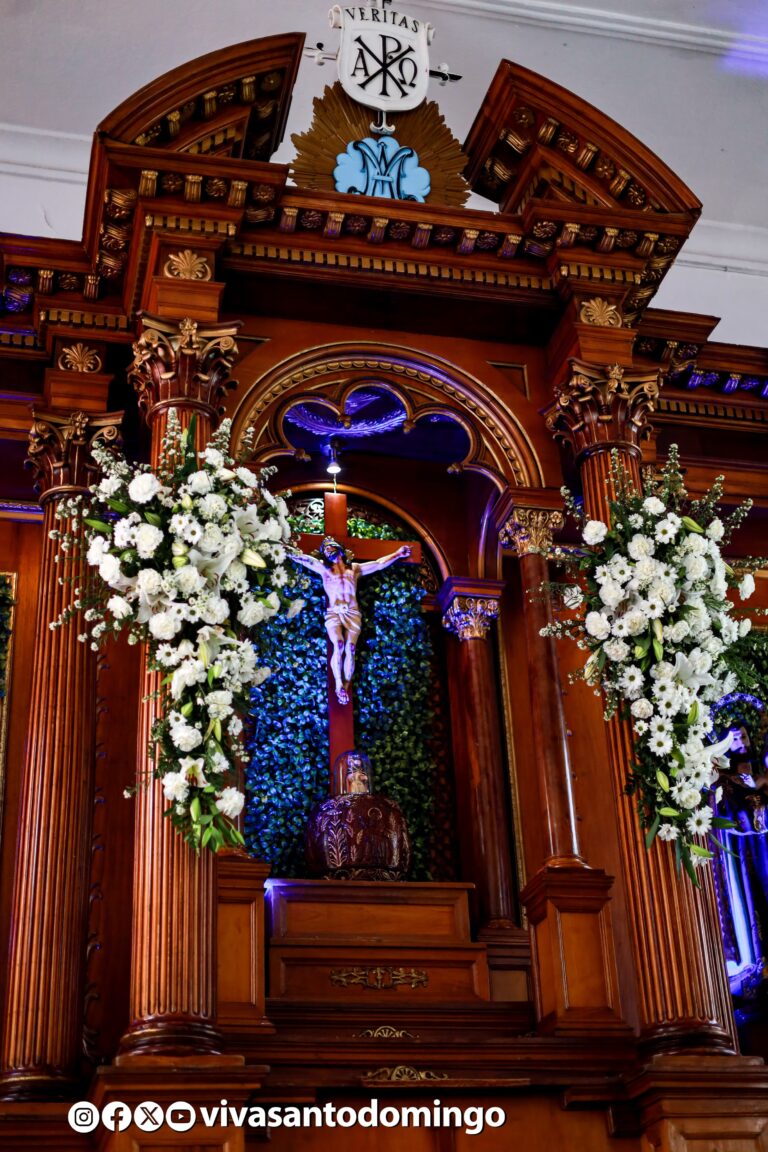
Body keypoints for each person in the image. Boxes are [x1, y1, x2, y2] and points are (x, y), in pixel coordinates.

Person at [290, 536, 411, 704]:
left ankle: (345, 685)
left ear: (339, 549)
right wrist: (289, 552)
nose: (328, 551)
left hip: (352, 612)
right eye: (325, 550)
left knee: (351, 648)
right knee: (338, 644)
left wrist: (397, 554)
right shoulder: (325, 570)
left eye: (331, 547)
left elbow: (379, 564)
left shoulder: (354, 569)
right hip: (334, 612)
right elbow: (306, 560)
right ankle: (338, 683)